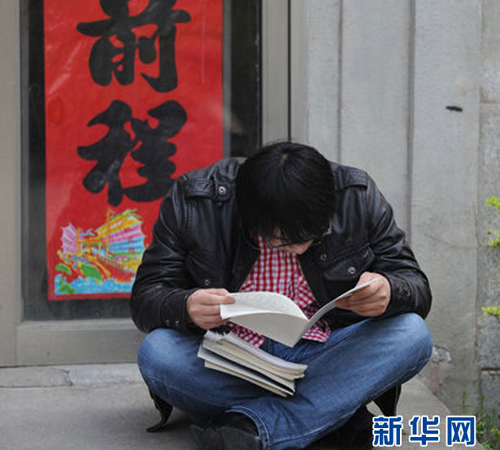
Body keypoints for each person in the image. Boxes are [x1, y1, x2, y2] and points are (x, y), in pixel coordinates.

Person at [130, 141, 432, 450]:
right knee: (158, 353)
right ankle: (332, 413)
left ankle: (258, 427)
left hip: (325, 355)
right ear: (252, 218)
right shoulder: (195, 199)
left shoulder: (356, 194)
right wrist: (186, 306)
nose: (299, 247)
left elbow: (414, 283)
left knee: (412, 334)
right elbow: (146, 296)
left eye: (311, 236)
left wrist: (389, 290)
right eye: (282, 240)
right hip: (232, 359)